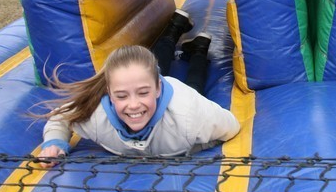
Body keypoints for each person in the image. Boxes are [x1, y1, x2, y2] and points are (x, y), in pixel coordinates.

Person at [38, 44, 240, 163]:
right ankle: (174, 28)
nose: (133, 105)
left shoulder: (187, 114)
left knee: (194, 84)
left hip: (180, 99)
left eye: (143, 93)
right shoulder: (97, 117)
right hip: (153, 89)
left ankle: (200, 50)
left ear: (158, 88)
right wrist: (55, 143)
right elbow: (60, 117)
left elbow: (231, 127)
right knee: (146, 72)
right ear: (109, 93)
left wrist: (190, 147)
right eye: (122, 96)